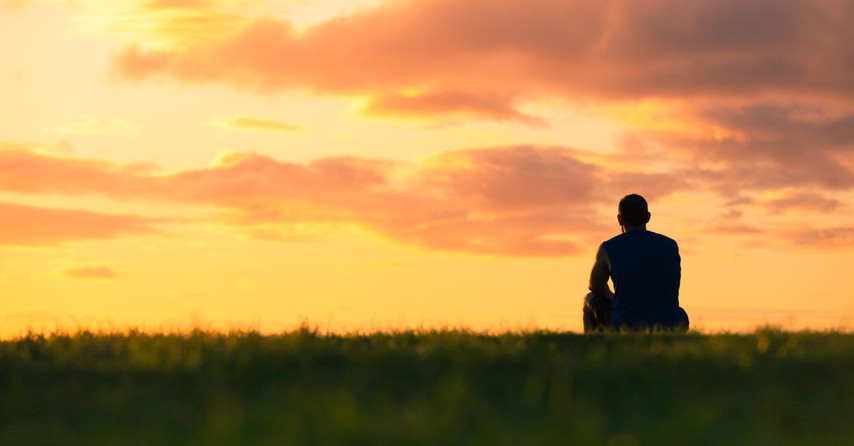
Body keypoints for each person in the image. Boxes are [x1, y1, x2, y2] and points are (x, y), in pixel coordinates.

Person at [583, 194, 689, 332]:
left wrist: (613, 297)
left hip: (626, 324)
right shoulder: (670, 245)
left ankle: (593, 347)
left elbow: (594, 286)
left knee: (589, 298)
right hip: (673, 323)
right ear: (648, 217)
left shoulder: (608, 247)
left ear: (619, 219)